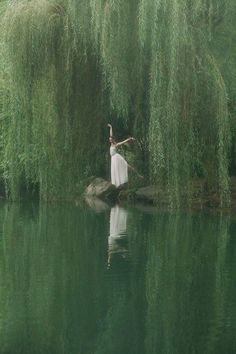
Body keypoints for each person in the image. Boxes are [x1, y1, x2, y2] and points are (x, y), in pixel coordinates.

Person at [108, 123, 143, 187]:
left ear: (113, 140)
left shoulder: (116, 145)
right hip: (113, 159)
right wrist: (111, 127)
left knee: (127, 166)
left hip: (116, 157)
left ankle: (138, 175)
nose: (109, 140)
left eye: (110, 139)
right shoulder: (111, 144)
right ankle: (119, 184)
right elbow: (111, 134)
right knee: (116, 170)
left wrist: (130, 139)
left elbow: (124, 142)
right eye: (109, 139)